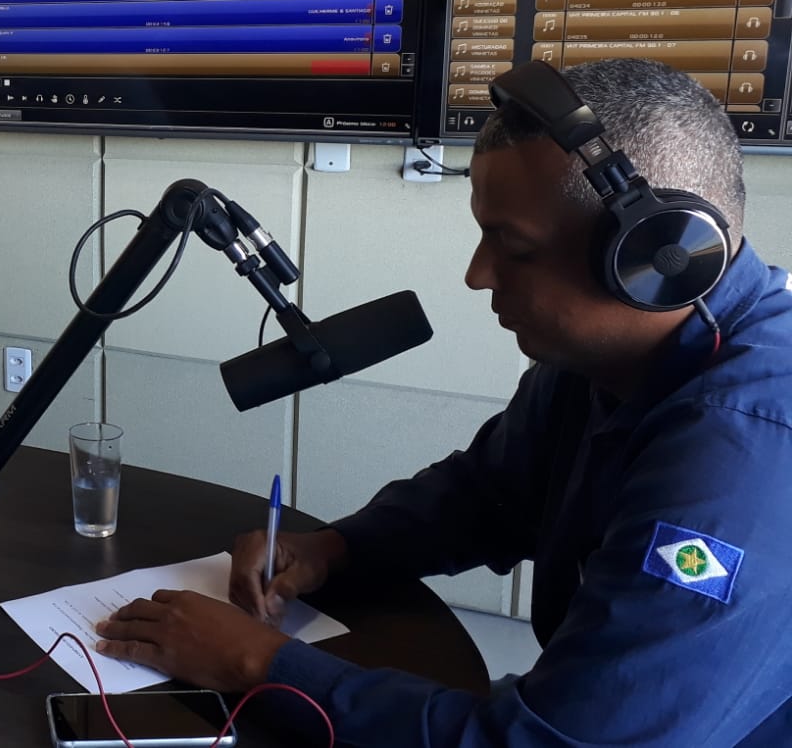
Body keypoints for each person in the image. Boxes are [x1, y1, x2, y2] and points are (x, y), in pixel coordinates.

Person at [93, 58, 792, 745]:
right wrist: (335, 547)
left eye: (513, 248)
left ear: (656, 258)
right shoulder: (602, 359)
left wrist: (257, 663)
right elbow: (486, 496)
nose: (477, 275)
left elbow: (552, 742)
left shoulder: (743, 451)